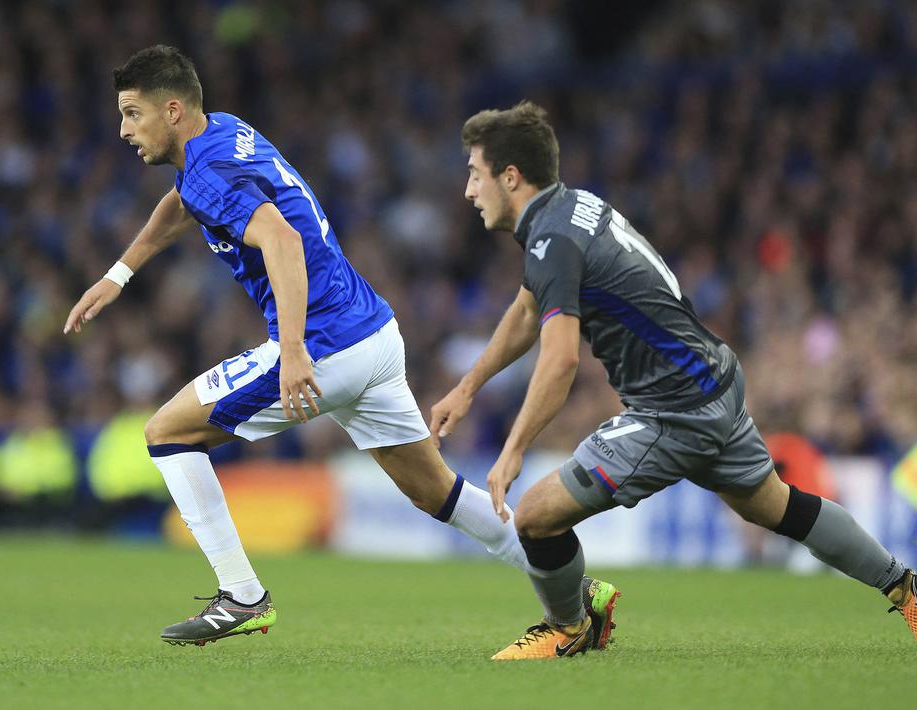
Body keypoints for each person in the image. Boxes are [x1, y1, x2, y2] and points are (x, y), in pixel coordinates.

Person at [63, 46, 618, 648]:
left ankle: (242, 597)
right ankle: (580, 590)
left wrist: (295, 350)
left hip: (325, 345)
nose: (123, 130)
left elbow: (281, 241)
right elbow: (183, 204)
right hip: (374, 334)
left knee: (166, 432)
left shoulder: (207, 170)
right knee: (438, 492)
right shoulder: (219, 134)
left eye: (131, 114)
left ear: (171, 111)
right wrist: (119, 274)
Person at [430, 101, 917, 659]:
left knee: (534, 517)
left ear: (510, 177)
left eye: (474, 174)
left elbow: (560, 363)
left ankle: (572, 623)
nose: (468, 191)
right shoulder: (569, 209)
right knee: (773, 505)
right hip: (712, 381)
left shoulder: (551, 240)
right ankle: (908, 586)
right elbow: (527, 312)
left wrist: (513, 450)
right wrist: (468, 387)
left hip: (671, 410)